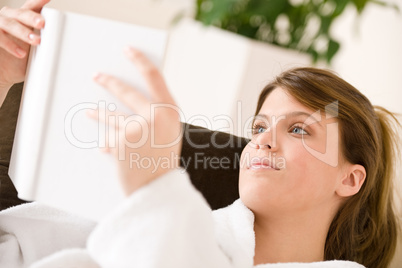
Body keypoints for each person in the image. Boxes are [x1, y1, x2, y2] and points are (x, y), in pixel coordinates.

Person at [0, 0, 400, 268]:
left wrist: (156, 184)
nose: (262, 140)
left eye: (298, 129)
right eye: (258, 126)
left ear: (349, 178)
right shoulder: (131, 220)